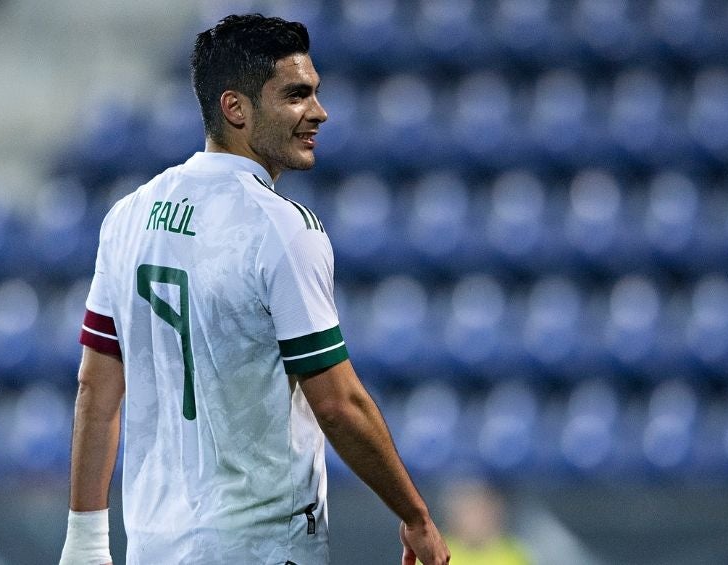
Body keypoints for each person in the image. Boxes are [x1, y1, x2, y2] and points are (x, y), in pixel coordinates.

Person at [59, 14, 450, 565]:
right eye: (296, 95)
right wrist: (417, 517)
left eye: (314, 92)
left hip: (154, 547)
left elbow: (95, 391)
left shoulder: (129, 215)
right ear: (235, 108)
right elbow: (337, 404)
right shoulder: (281, 228)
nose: (318, 111)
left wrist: (85, 541)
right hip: (260, 548)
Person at [442, 480, 530, 565]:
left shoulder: (512, 554)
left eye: (479, 510)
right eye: (469, 511)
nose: (474, 518)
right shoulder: (440, 551)